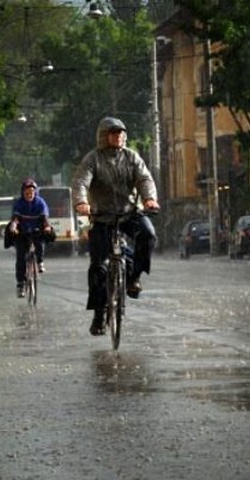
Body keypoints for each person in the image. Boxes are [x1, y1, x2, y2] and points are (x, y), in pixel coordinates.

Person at [71, 116, 161, 336]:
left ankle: (134, 278)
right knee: (98, 267)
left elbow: (145, 179)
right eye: (113, 132)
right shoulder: (93, 159)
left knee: (148, 235)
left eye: (121, 132)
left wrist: (149, 199)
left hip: (129, 213)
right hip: (102, 216)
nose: (118, 136)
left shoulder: (132, 157)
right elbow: (81, 181)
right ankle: (99, 315)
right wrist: (82, 202)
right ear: (104, 136)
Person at [6, 178, 53, 297]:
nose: (29, 194)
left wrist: (47, 226)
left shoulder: (40, 202)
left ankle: (40, 262)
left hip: (36, 230)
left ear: (35, 192)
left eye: (31, 192)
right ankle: (20, 285)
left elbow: (45, 218)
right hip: (22, 232)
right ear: (23, 193)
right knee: (20, 257)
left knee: (40, 242)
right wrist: (13, 227)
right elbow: (15, 218)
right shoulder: (19, 203)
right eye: (26, 192)